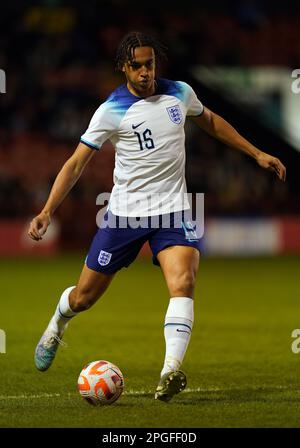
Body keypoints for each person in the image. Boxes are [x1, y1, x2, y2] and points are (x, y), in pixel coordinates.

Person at [28, 31, 286, 403]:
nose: (146, 72)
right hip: (125, 216)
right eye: (138, 66)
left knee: (184, 281)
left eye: (151, 64)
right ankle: (57, 323)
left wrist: (256, 152)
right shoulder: (110, 110)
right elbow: (76, 164)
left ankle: (170, 372)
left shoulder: (180, 92)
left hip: (175, 210)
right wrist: (47, 210)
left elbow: (210, 120)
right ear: (123, 68)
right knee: (83, 298)